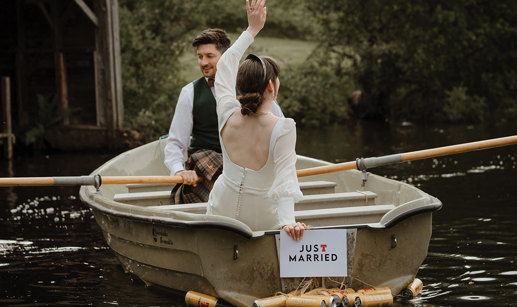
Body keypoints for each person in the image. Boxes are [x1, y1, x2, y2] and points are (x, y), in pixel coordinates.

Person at [206, 0, 305, 241]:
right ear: (271, 85)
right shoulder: (283, 127)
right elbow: (285, 179)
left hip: (220, 213)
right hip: (261, 220)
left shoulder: (226, 112)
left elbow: (227, 63)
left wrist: (251, 31)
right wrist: (288, 223)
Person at [164, 28, 284, 203]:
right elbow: (175, 143)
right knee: (217, 166)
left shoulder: (251, 86)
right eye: (200, 56)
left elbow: (280, 126)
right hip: (206, 169)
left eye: (209, 56)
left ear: (227, 56)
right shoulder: (189, 93)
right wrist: (179, 170)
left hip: (245, 164)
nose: (203, 62)